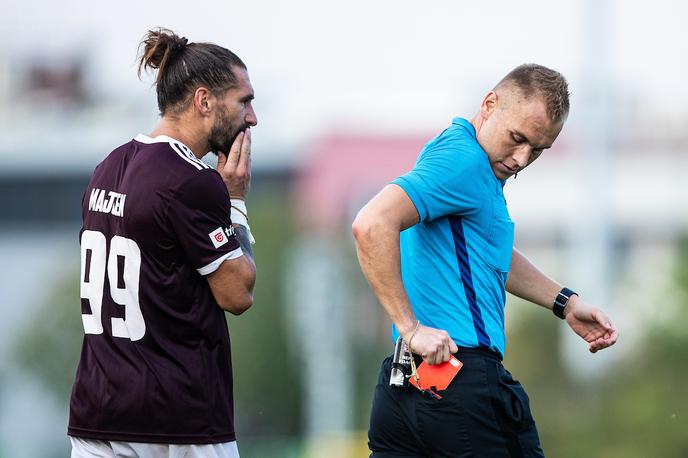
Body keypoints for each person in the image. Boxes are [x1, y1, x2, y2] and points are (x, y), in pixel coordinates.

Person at [352, 64, 619, 457]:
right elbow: (371, 224)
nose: (522, 158)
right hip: (459, 384)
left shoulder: (464, 157)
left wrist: (565, 303)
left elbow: (488, 255)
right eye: (518, 138)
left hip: (404, 390)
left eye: (539, 150)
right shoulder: (465, 163)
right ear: (490, 104)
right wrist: (410, 328)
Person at [68, 28, 258, 458]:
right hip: (176, 423)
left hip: (97, 416)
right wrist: (236, 202)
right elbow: (238, 293)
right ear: (204, 100)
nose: (252, 117)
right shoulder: (192, 181)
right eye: (244, 101)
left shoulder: (108, 166)